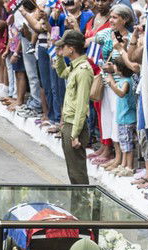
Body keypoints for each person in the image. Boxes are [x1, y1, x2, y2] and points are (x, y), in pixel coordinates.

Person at [54, 29, 94, 185]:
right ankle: (78, 199)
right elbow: (62, 73)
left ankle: (83, 200)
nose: (61, 49)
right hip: (69, 123)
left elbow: (82, 105)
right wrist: (59, 57)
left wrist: (75, 134)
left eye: (63, 47)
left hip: (75, 126)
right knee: (73, 171)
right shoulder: (75, 66)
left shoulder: (83, 70)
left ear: (71, 48)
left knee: (78, 173)